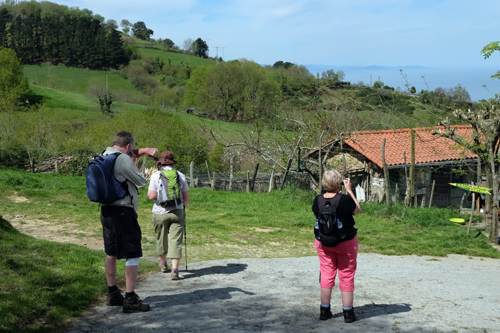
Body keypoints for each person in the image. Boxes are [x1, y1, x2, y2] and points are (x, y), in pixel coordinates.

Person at [101, 130, 158, 313]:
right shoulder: (124, 159)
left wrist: (142, 151)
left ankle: (112, 294)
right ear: (127, 146)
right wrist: (133, 162)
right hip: (124, 212)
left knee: (111, 252)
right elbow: (141, 181)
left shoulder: (103, 155)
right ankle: (130, 298)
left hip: (106, 210)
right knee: (132, 253)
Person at [312, 169, 361, 323]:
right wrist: (349, 191)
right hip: (346, 242)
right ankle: (348, 313)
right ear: (339, 183)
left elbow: (317, 217)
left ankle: (325, 310)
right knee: (346, 275)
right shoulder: (345, 200)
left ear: (324, 184)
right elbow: (357, 211)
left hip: (324, 242)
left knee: (326, 274)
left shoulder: (317, 200)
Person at [147, 151, 189, 280]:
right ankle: (175, 270)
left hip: (160, 212)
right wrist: (182, 208)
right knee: (176, 241)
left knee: (161, 238)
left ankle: (164, 264)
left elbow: (151, 196)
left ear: (161, 162)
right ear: (172, 162)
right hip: (177, 212)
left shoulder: (156, 175)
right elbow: (186, 199)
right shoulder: (180, 175)